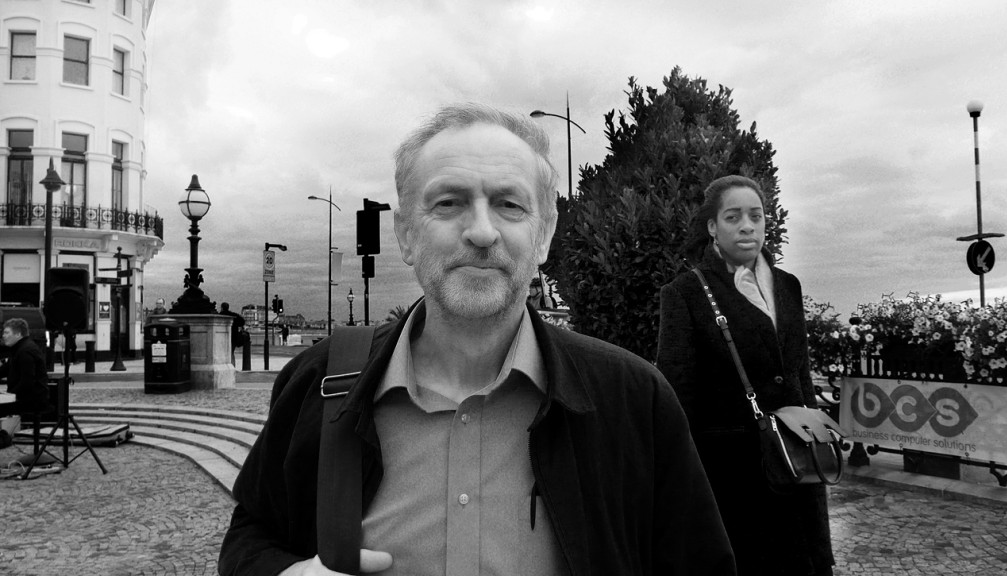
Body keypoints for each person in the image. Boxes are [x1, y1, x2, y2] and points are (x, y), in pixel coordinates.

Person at [219, 104, 735, 576]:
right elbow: (250, 539)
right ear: (404, 234)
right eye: (449, 203)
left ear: (546, 232)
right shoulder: (321, 381)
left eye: (510, 205)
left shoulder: (633, 401)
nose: (482, 232)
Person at [656, 175, 835, 576]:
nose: (747, 226)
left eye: (756, 216)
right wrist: (678, 473)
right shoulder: (686, 292)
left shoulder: (788, 286)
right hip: (732, 471)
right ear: (712, 227)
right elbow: (677, 387)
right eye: (733, 216)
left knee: (804, 563)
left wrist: (817, 434)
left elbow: (799, 370)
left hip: (796, 457)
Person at [0, 318, 51, 419]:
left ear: (18, 334)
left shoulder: (25, 351)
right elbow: (4, 370)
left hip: (32, 400)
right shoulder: (19, 349)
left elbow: (27, 382)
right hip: (25, 396)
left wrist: (9, 395)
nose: (3, 336)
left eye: (6, 333)